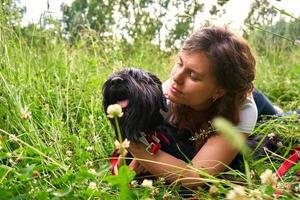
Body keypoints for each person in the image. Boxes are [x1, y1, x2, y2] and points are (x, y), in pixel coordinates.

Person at [127, 26, 277, 189]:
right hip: (214, 101)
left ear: (219, 89)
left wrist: (139, 150)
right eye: (180, 62)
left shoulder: (243, 110)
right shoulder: (168, 92)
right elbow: (151, 136)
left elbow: (195, 177)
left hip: (253, 104)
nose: (176, 77)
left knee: (281, 122)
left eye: (193, 75)